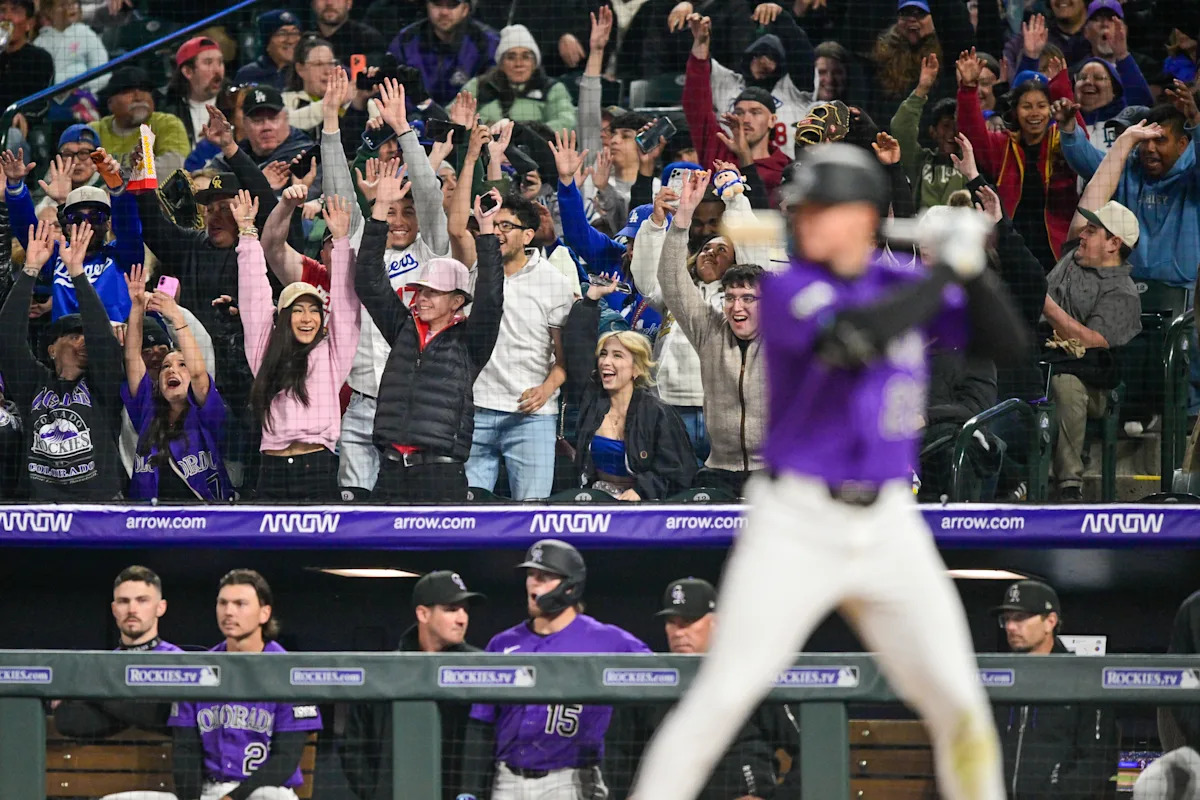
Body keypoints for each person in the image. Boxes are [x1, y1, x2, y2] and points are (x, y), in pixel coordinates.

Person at [629, 145, 1030, 800]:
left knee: (960, 704)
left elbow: (1009, 345)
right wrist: (943, 274)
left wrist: (975, 268)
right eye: (802, 209)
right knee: (721, 697)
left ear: (864, 216)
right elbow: (852, 339)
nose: (804, 220)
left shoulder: (900, 282)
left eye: (821, 209)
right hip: (798, 522)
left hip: (890, 521)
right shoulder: (790, 291)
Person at [355, 79, 504, 503]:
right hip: (389, 469)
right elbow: (368, 282)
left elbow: (491, 298)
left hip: (440, 474)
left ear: (457, 301)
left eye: (433, 293)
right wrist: (378, 213)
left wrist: (487, 233)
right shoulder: (403, 328)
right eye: (421, 290)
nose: (422, 298)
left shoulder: (471, 341)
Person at [459, 539, 651, 800]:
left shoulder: (608, 641)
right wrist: (469, 790)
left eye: (544, 576)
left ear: (570, 586)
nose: (533, 583)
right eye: (531, 575)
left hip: (570, 780)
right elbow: (481, 723)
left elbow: (660, 682)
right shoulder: (502, 643)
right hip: (506, 780)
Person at [339, 76, 451, 500]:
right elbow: (338, 191)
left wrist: (404, 130)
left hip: (414, 406)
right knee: (353, 509)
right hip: (362, 402)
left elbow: (429, 195)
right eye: (392, 210)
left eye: (409, 212)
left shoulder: (431, 248)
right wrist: (331, 124)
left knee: (409, 508)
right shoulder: (361, 244)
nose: (400, 220)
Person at [606, 577, 802, 799]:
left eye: (688, 622)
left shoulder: (748, 679)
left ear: (716, 623)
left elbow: (812, 747)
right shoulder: (651, 684)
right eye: (672, 622)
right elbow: (617, 756)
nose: (678, 632)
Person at [236, 189, 360, 502]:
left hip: (317, 468)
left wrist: (341, 242)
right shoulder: (265, 352)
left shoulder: (332, 354)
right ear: (284, 316)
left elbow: (346, 304)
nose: (307, 318)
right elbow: (253, 298)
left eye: (314, 310)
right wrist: (247, 235)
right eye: (298, 310)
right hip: (271, 470)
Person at [656, 170, 766, 497]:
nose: (736, 307)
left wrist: (735, 198)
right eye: (730, 298)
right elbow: (672, 282)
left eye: (747, 299)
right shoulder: (711, 331)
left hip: (775, 473)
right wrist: (682, 220)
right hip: (719, 470)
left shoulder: (783, 337)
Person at [169, 569, 323, 800]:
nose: (229, 611)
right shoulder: (199, 672)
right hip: (210, 791)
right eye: (223, 603)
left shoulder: (288, 672)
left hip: (265, 790)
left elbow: (285, 759)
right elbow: (186, 751)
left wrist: (233, 798)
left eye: (240, 604)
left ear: (264, 613)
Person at [0, 220, 124, 500]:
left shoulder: (101, 384)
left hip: (99, 509)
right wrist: (30, 270)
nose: (85, 341)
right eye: (74, 336)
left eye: (86, 335)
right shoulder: (33, 383)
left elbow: (103, 339)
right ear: (52, 349)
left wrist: (77, 273)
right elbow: (7, 336)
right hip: (41, 511)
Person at [464, 192, 576, 500]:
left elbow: (566, 359)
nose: (496, 232)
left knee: (531, 510)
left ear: (528, 235)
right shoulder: (477, 272)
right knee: (469, 511)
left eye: (506, 226)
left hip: (531, 418)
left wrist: (545, 390)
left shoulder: (554, 282)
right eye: (493, 225)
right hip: (476, 410)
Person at [342, 570, 484, 800]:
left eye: (465, 610)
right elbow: (353, 745)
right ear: (423, 614)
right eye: (451, 609)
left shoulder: (479, 670)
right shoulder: (384, 673)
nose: (462, 619)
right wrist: (376, 794)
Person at [561, 278, 696, 500]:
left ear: (637, 369)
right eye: (603, 354)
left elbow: (678, 470)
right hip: (596, 499)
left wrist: (642, 490)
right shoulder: (593, 400)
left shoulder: (658, 413)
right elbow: (578, 352)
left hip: (642, 503)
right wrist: (591, 300)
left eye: (617, 356)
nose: (606, 362)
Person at [1044, 200, 1142, 501]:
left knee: (1066, 384)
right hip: (1043, 359)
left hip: (1094, 383)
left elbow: (1092, 343)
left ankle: (1068, 484)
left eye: (1091, 230)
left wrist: (1044, 304)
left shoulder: (1123, 292)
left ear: (1114, 243)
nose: (1082, 235)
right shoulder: (1073, 258)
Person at [1057, 88, 1200, 288]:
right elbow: (1088, 162)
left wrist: (1196, 122)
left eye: (1160, 140)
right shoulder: (1129, 168)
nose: (1150, 148)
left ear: (1182, 144)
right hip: (1127, 283)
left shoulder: (1193, 175)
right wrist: (1069, 129)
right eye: (1144, 140)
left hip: (1182, 289)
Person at [992, 580, 1120, 797]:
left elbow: (1097, 763)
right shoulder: (998, 679)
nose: (1011, 627)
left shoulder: (1084, 680)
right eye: (1007, 619)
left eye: (1020, 617)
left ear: (1050, 622)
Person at [957, 49, 1081, 271]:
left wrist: (1062, 91)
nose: (1035, 113)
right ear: (1015, 111)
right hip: (1012, 253)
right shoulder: (1004, 145)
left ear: (1050, 109)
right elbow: (973, 137)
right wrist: (968, 89)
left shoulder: (1061, 142)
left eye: (1041, 105)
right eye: (1026, 106)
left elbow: (1081, 146)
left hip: (1058, 256)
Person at [123, 264, 231, 503]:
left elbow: (199, 374)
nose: (172, 370)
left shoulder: (206, 412)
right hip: (149, 520)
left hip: (204, 519)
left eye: (182, 365)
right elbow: (132, 357)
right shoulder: (146, 409)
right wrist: (137, 307)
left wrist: (176, 317)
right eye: (166, 366)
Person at [4, 148, 142, 322]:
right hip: (65, 337)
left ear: (108, 224)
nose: (86, 224)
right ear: (67, 226)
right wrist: (15, 186)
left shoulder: (123, 256)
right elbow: (28, 230)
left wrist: (115, 183)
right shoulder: (57, 256)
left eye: (96, 217)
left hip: (112, 336)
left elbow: (128, 228)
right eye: (77, 219)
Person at [53, 566, 183, 741]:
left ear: (161, 607)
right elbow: (67, 720)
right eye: (123, 601)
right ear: (114, 609)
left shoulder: (179, 661)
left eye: (142, 600)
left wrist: (92, 689)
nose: (132, 609)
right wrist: (133, 710)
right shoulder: (105, 665)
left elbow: (163, 719)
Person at [683, 13, 791, 200]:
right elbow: (696, 104)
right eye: (739, 112)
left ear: (772, 120)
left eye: (756, 112)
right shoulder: (717, 150)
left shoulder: (786, 169)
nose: (745, 119)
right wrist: (700, 45)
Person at [461, 24, 577, 131]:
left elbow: (567, 124)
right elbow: (455, 118)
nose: (519, 64)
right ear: (500, 63)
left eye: (526, 57)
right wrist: (483, 129)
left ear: (535, 62)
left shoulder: (552, 88)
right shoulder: (479, 85)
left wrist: (524, 131)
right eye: (511, 57)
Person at [387, 0, 499, 108]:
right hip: (415, 117)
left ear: (465, 9)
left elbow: (494, 93)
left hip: (469, 117)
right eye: (437, 4)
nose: (444, 12)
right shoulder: (405, 40)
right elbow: (391, 88)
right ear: (427, 5)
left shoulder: (487, 42)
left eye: (452, 5)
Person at [891, 53, 967, 209]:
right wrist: (922, 89)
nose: (952, 132)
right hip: (923, 224)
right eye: (946, 126)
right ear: (933, 132)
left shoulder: (972, 164)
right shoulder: (919, 161)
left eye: (956, 127)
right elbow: (900, 128)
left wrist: (967, 89)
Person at [89, 66, 190, 177]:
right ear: (110, 103)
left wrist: (118, 180)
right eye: (127, 91)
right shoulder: (94, 130)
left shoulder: (167, 123)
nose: (139, 97)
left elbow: (173, 170)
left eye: (145, 90)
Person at [211, 86, 315, 172]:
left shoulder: (307, 154)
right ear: (245, 124)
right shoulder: (234, 156)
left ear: (286, 118)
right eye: (257, 121)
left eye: (273, 119)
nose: (266, 127)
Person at [159, 36, 226, 149]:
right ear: (188, 72)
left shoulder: (234, 103)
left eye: (220, 62)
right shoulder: (165, 106)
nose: (217, 70)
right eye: (208, 63)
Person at [32, 0, 108, 98]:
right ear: (49, 11)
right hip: (51, 100)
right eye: (63, 4)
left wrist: (81, 88)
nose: (71, 7)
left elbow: (103, 72)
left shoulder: (86, 34)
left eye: (74, 3)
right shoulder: (39, 43)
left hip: (84, 98)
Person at [0, 0, 54, 119]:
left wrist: (22, 117)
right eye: (2, 10)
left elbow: (41, 103)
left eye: (15, 11)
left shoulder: (40, 58)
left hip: (19, 126)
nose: (6, 17)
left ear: (29, 23)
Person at [282, 36, 338, 138]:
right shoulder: (286, 100)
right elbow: (284, 124)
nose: (327, 71)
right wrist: (332, 102)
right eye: (319, 64)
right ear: (300, 69)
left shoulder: (348, 100)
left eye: (331, 63)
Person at [234, 10, 303, 90]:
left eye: (295, 33)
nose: (291, 40)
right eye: (282, 33)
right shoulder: (248, 75)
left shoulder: (304, 73)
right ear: (266, 43)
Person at [310, 0, 385, 65]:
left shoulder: (368, 39)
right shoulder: (306, 39)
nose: (329, 3)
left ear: (349, 3)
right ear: (313, 3)